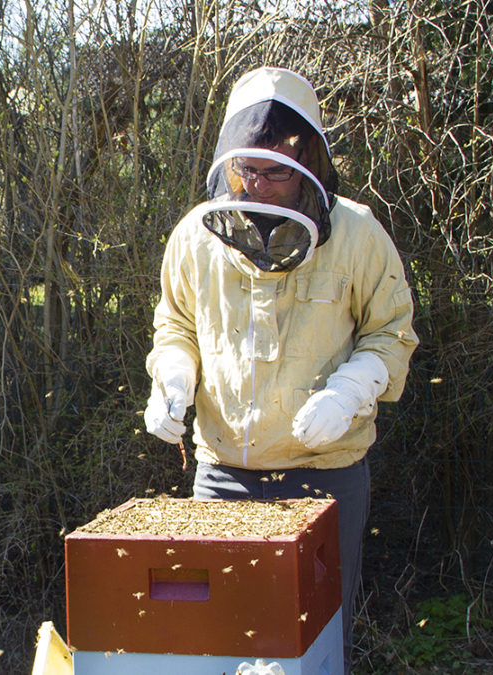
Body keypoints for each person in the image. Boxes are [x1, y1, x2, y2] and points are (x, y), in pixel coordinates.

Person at [144, 66, 419, 673]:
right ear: (228, 163)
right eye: (249, 171)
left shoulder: (357, 232)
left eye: (275, 171)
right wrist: (172, 375)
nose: (260, 185)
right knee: (218, 646)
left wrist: (351, 390)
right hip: (223, 475)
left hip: (325, 477)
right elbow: (176, 324)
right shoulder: (194, 236)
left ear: (308, 162)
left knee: (315, 647)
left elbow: (391, 333)